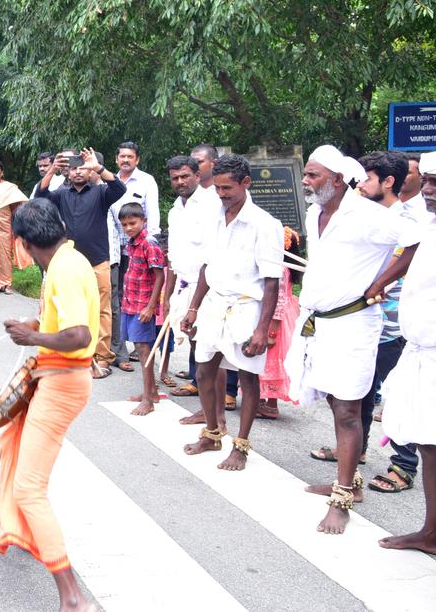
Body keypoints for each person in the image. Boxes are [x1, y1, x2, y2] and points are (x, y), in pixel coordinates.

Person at [285, 145, 418, 534]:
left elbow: (417, 241)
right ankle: (350, 482)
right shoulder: (314, 212)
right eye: (306, 175)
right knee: (333, 401)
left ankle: (342, 500)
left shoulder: (366, 215)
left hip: (354, 324)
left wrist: (381, 281)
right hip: (320, 324)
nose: (306, 182)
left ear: (338, 180)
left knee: (348, 410)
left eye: (313, 176)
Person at [0, 198, 98, 612]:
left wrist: (32, 339)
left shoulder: (65, 271)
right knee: (15, 453)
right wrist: (35, 325)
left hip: (63, 383)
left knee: (29, 488)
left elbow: (78, 336)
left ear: (20, 242)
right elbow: (63, 322)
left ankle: (72, 597)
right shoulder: (67, 260)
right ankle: (21, 529)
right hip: (57, 378)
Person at [179, 155, 282, 470]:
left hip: (246, 307)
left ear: (246, 183)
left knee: (248, 378)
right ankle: (212, 434)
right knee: (204, 370)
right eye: (218, 188)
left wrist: (262, 329)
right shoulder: (214, 217)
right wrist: (193, 307)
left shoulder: (265, 224)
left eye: (227, 188)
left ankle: (241, 446)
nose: (221, 194)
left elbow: (271, 281)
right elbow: (206, 267)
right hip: (214, 304)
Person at [378, 152, 436, 555]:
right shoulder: (427, 225)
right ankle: (431, 532)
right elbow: (406, 259)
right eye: (427, 181)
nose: (428, 191)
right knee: (428, 442)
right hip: (422, 351)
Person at [34, 149, 126, 374]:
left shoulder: (101, 193)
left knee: (103, 309)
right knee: (66, 306)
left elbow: (119, 188)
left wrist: (99, 168)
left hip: (97, 260)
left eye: (82, 168)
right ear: (67, 172)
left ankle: (102, 356)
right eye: (73, 168)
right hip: (67, 263)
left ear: (89, 171)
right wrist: (53, 168)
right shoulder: (61, 194)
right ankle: (70, 353)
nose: (77, 172)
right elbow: (41, 194)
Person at [163, 155, 223, 401]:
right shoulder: (176, 209)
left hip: (208, 288)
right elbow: (174, 258)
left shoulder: (213, 203)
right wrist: (167, 296)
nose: (180, 181)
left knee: (211, 347)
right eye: (175, 178)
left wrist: (196, 304)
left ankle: (218, 403)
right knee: (196, 342)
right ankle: (205, 399)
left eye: (185, 176)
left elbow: (212, 256)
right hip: (184, 285)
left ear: (198, 176)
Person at [108, 142, 161, 370]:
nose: (126, 160)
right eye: (122, 156)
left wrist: (151, 240)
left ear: (137, 160)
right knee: (118, 297)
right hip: (114, 247)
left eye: (130, 157)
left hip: (139, 248)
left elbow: (152, 213)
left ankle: (142, 346)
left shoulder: (146, 181)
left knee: (141, 296)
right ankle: (119, 350)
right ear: (117, 159)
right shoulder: (109, 180)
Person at [116, 203, 166, 416]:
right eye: (124, 224)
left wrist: (151, 306)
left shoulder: (149, 243)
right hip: (130, 303)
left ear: (143, 221)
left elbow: (160, 275)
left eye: (133, 223)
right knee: (140, 346)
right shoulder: (132, 242)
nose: (128, 227)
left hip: (142, 306)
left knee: (144, 350)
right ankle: (151, 391)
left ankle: (148, 400)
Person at [256, 226, 302, 420]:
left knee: (271, 357)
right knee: (271, 359)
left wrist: (272, 330)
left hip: (277, 319)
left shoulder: (281, 269)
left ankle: (271, 405)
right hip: (285, 315)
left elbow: (279, 297)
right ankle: (264, 400)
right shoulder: (287, 267)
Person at [0, 160, 28, 294]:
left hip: (4, 223)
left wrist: (17, 225)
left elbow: (16, 208)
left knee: (4, 254)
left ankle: (6, 283)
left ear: (2, 172)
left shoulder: (9, 188)